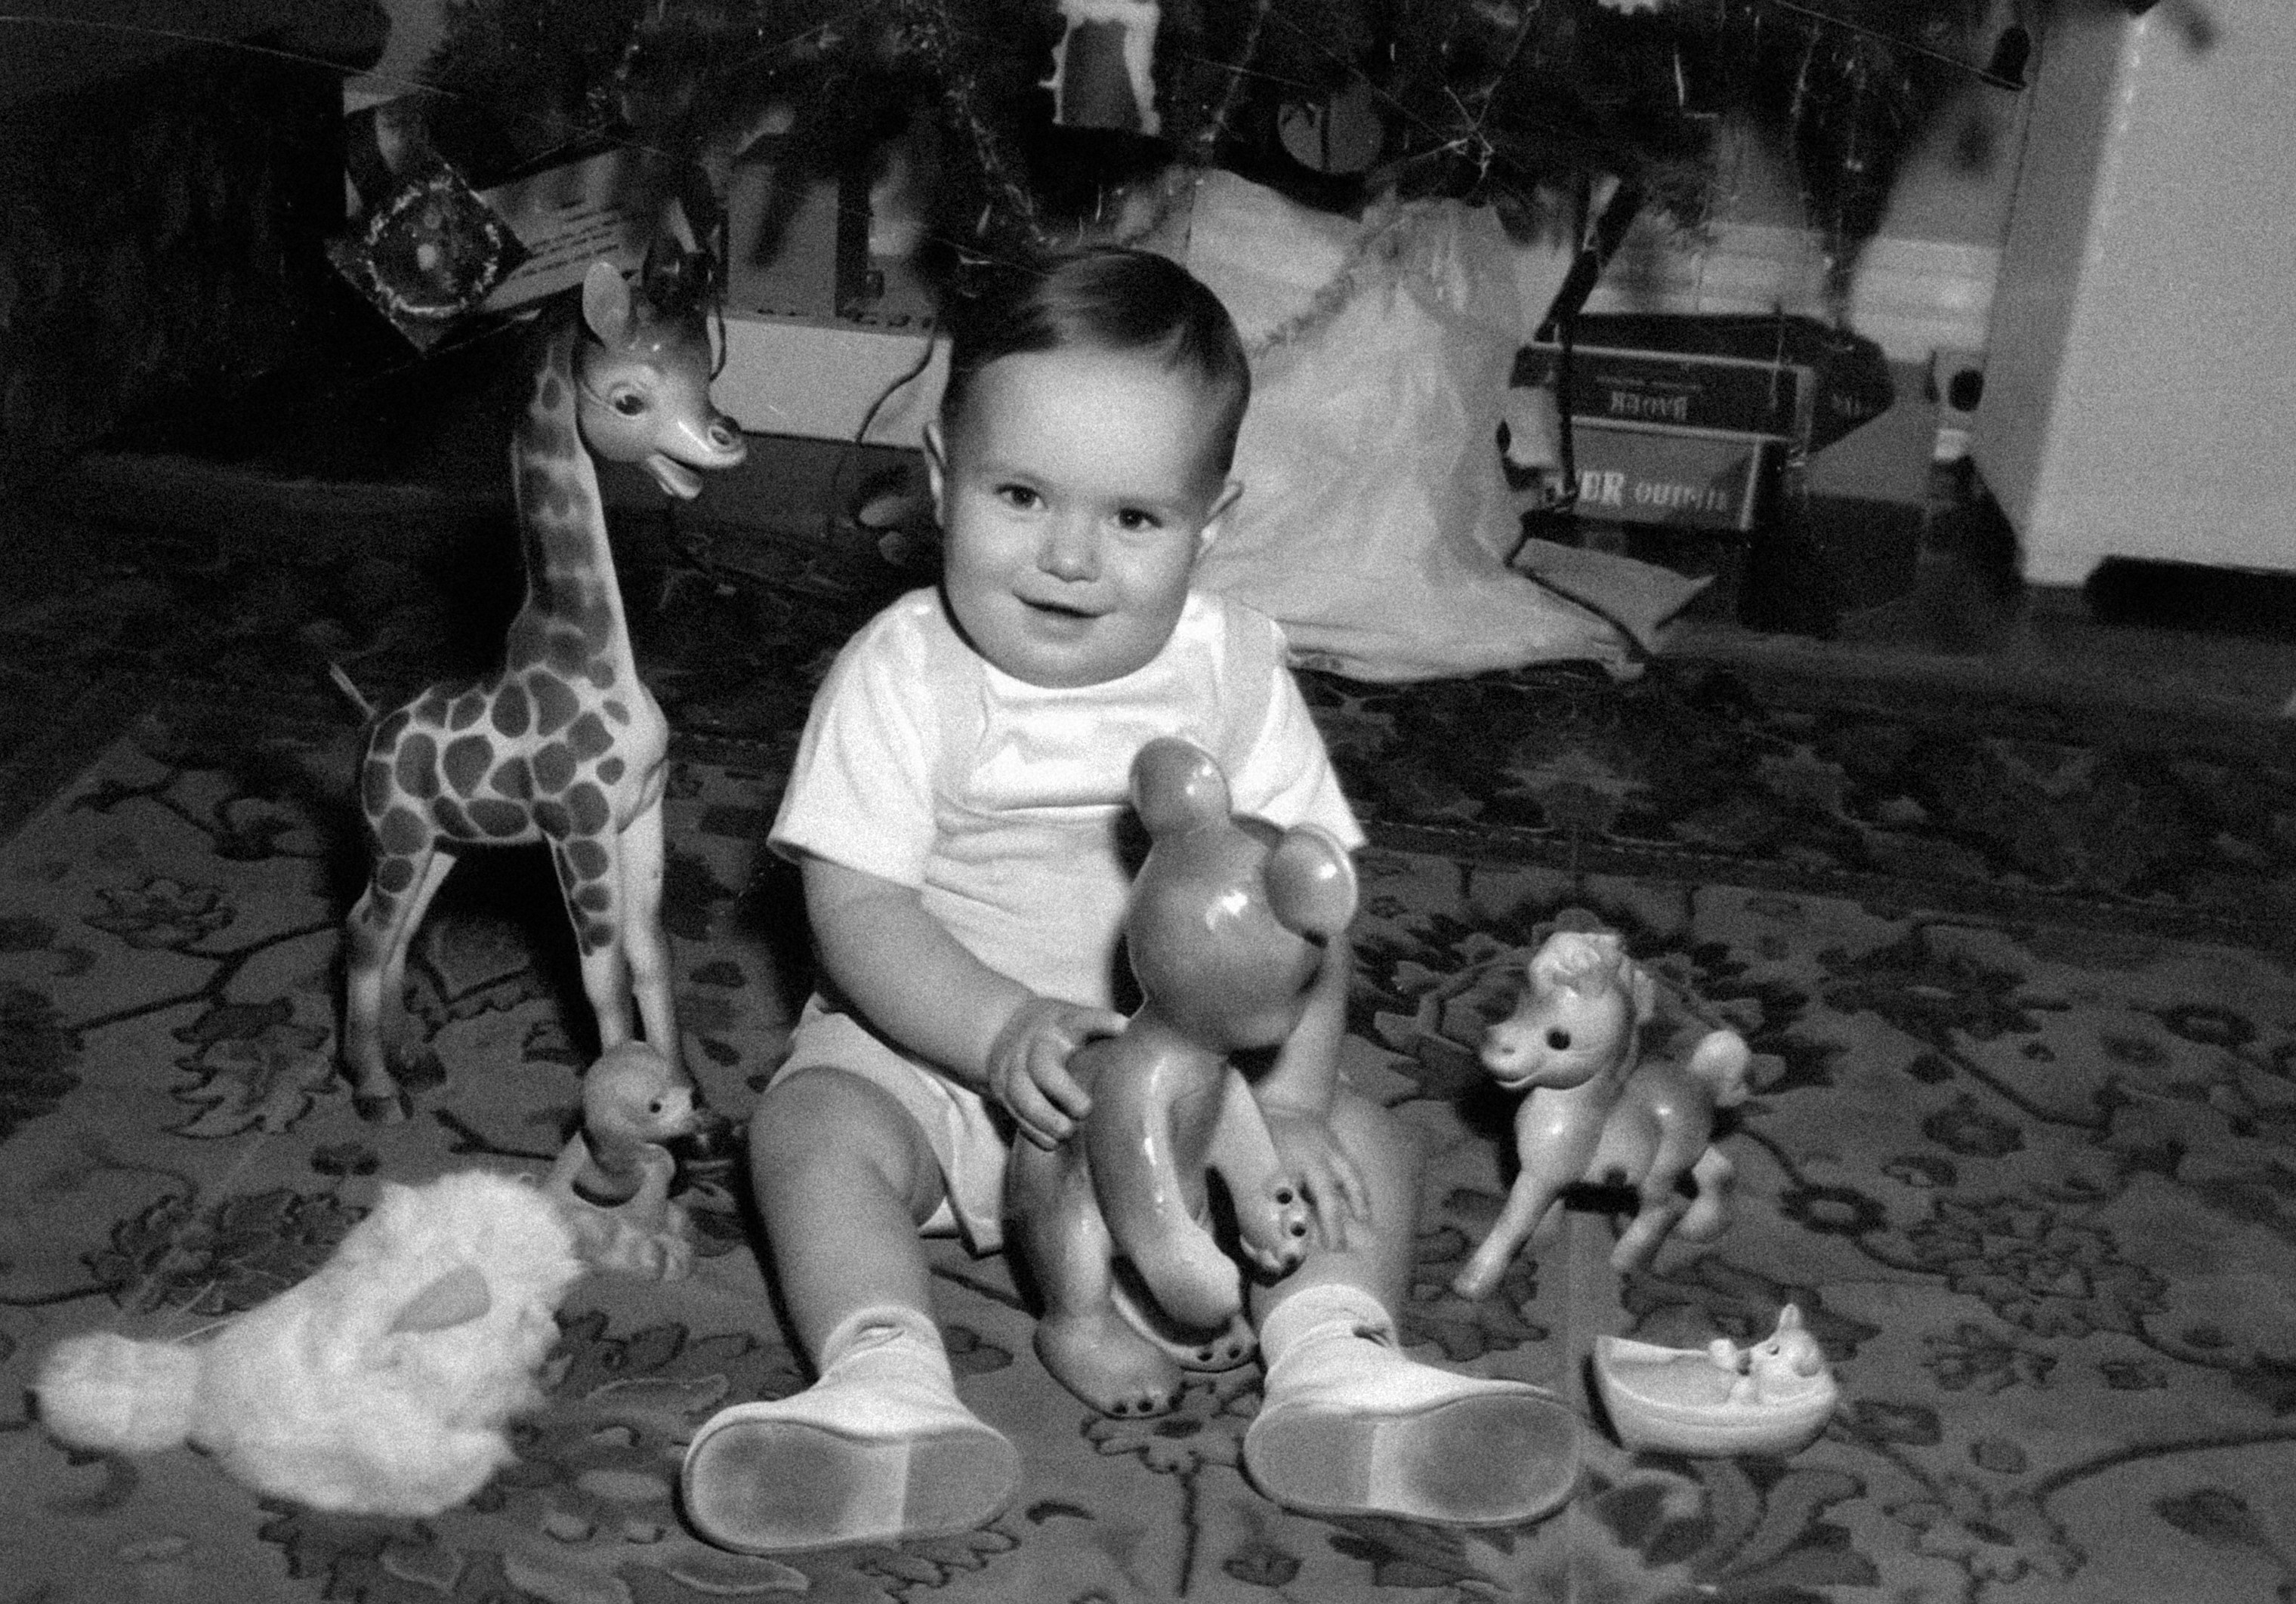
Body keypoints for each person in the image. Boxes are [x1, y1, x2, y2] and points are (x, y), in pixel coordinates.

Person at [679, 247, 1578, 1554]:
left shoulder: (1233, 665)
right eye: (1021, 495)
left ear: (1212, 526)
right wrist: (993, 1031)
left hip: (1193, 1085)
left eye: (1135, 520)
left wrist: (1295, 1104)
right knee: (808, 1136)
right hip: (936, 1064)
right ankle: (881, 1378)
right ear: (941, 481)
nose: (1069, 557)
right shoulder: (901, 674)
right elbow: (857, 908)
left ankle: (1340, 1365)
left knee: (1372, 1149)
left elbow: (1309, 905)